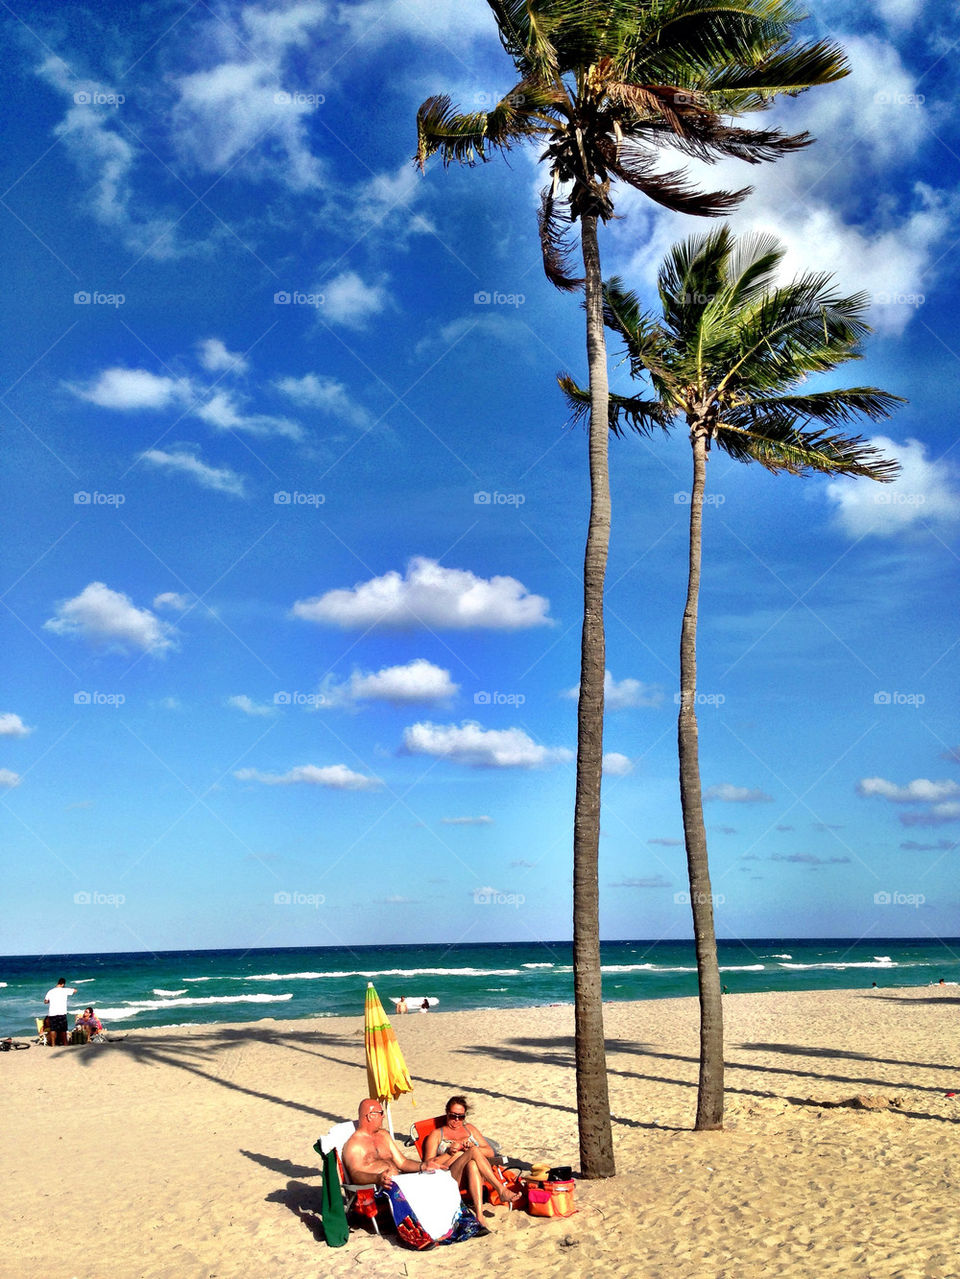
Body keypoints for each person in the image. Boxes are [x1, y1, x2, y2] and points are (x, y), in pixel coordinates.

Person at [422, 1095, 521, 1222]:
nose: (456, 1120)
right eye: (453, 1116)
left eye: (461, 1117)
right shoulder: (436, 1135)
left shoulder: (470, 1129)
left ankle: (479, 1215)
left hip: (473, 1175)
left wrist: (473, 1148)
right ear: (447, 1113)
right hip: (451, 1177)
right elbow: (427, 1165)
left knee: (473, 1163)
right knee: (471, 1152)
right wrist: (449, 1153)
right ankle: (501, 1189)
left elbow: (490, 1152)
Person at [342, 1099, 445, 1189]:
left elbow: (403, 1163)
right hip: (378, 1191)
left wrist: (423, 1166)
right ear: (370, 1116)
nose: (384, 1116)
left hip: (399, 1183)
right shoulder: (354, 1145)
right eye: (381, 1113)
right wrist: (377, 1178)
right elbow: (355, 1175)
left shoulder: (383, 1135)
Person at [43, 978, 78, 1046]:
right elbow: (75, 991)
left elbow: (45, 1001)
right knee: (63, 1029)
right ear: (63, 984)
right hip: (62, 1012)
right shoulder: (65, 990)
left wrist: (51, 1000)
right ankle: (65, 1043)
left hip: (52, 1013)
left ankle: (53, 1044)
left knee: (53, 1029)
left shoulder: (50, 991)